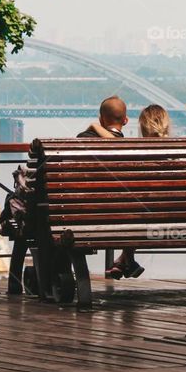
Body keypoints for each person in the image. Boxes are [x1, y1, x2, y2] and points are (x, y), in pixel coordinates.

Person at [76, 95, 144, 281]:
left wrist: (92, 128)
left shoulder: (82, 140)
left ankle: (126, 260)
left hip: (85, 217)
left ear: (100, 119)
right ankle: (126, 260)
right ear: (125, 120)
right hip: (129, 218)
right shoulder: (133, 149)